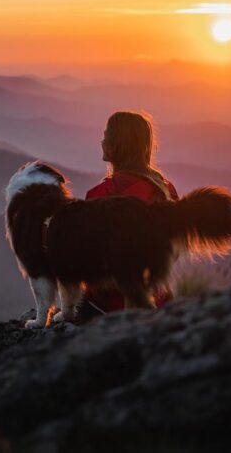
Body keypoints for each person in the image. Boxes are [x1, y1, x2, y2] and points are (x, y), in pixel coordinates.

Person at [78, 110, 179, 321]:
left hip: (105, 309)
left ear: (117, 145)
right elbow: (174, 252)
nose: (101, 140)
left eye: (106, 135)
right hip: (156, 303)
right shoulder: (164, 191)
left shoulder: (99, 196)